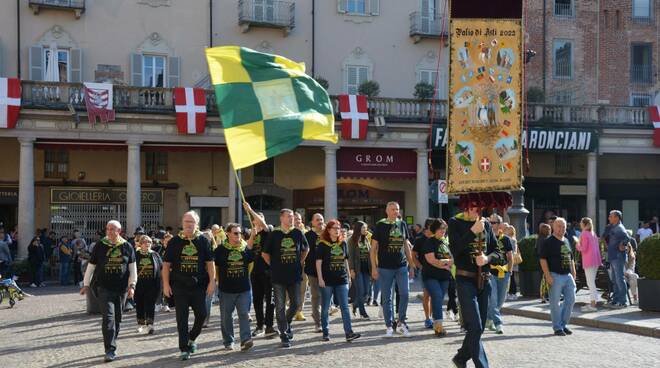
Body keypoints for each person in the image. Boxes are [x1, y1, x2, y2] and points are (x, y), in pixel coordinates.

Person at [448, 201, 504, 368]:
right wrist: (472, 231)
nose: (476, 210)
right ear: (465, 206)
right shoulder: (455, 222)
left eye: (479, 207)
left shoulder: (486, 224)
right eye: (473, 206)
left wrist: (487, 259)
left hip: (484, 280)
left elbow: (498, 252)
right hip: (465, 279)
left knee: (477, 328)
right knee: (476, 325)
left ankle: (460, 357)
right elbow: (456, 249)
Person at [80, 220, 137, 363]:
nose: (109, 231)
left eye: (113, 229)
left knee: (118, 318)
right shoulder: (100, 245)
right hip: (103, 287)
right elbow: (91, 266)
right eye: (108, 229)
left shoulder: (127, 246)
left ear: (119, 231)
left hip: (121, 289)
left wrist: (132, 286)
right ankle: (110, 349)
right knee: (108, 318)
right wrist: (86, 284)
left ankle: (112, 341)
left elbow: (132, 269)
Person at [162, 211, 215, 361]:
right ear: (182, 223)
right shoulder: (174, 242)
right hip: (179, 286)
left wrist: (212, 282)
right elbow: (166, 265)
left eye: (192, 222)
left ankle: (192, 338)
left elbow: (210, 264)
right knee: (182, 318)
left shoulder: (203, 241)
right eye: (186, 221)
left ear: (197, 224)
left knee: (202, 315)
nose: (189, 224)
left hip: (198, 285)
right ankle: (184, 348)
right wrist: (165, 285)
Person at [262, 208, 309, 348]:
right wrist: (273, 265)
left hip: (294, 275)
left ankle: (286, 323)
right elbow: (265, 254)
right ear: (281, 218)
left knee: (295, 304)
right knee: (280, 306)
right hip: (278, 276)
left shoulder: (298, 233)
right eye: (288, 216)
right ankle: (283, 334)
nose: (291, 219)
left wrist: (300, 261)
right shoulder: (274, 234)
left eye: (292, 217)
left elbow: (306, 249)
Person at [370, 201, 415, 338]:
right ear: (387, 211)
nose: (395, 211)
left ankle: (401, 322)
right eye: (392, 209)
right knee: (387, 298)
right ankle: (389, 326)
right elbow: (373, 250)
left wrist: (411, 265)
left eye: (397, 209)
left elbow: (406, 246)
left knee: (405, 294)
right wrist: (374, 268)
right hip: (384, 267)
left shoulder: (402, 224)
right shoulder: (380, 225)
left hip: (401, 266)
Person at [315, 219, 361, 342]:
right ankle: (325, 331)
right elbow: (318, 263)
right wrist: (320, 278)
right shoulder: (322, 244)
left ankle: (348, 332)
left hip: (342, 279)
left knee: (345, 307)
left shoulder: (343, 243)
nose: (337, 230)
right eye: (334, 228)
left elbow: (345, 260)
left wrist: (348, 275)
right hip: (327, 280)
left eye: (338, 228)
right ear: (329, 230)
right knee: (325, 307)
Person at [214, 223, 255, 351]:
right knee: (226, 317)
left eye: (240, 233)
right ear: (228, 234)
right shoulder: (220, 250)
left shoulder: (245, 248)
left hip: (244, 289)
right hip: (226, 289)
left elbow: (250, 265)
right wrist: (217, 283)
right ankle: (228, 341)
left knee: (244, 314)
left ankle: (245, 340)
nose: (239, 235)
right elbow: (216, 268)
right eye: (235, 233)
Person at [243, 204, 277, 338]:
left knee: (270, 300)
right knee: (257, 300)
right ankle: (259, 325)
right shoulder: (252, 233)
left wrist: (250, 210)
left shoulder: (268, 231)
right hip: (255, 271)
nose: (257, 220)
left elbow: (263, 224)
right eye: (255, 219)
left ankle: (269, 326)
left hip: (268, 271)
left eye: (260, 218)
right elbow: (249, 247)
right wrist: (252, 233)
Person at [539, 217, 576, 336]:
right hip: (555, 275)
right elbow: (542, 259)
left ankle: (563, 324)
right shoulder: (548, 241)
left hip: (567, 275)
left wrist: (573, 272)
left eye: (564, 227)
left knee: (571, 300)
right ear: (554, 227)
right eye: (559, 226)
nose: (561, 229)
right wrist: (547, 275)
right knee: (555, 303)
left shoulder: (567, 240)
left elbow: (571, 258)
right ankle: (557, 327)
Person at [422, 218, 453, 337]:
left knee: (438, 299)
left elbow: (453, 260)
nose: (443, 231)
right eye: (441, 229)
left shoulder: (445, 242)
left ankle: (436, 323)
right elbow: (431, 260)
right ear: (435, 229)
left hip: (444, 277)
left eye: (445, 229)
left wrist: (443, 263)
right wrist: (445, 263)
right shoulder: (430, 242)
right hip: (430, 276)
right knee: (437, 295)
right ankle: (439, 326)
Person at [485, 215, 514, 335]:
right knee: (493, 299)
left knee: (500, 300)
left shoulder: (505, 239)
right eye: (490, 222)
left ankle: (488, 318)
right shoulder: (486, 238)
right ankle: (498, 323)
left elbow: (510, 256)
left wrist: (510, 272)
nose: (491, 224)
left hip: (504, 272)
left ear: (500, 224)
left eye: (494, 222)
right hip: (490, 273)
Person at [603, 210, 631, 308]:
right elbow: (605, 236)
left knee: (619, 279)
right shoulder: (612, 227)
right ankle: (615, 300)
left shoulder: (619, 228)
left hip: (618, 257)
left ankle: (623, 302)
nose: (609, 218)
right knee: (615, 280)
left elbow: (627, 237)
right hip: (613, 256)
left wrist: (622, 245)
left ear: (617, 218)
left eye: (611, 216)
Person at [135, 235, 162, 334]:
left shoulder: (155, 254)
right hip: (139, 283)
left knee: (150, 304)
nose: (147, 244)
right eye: (145, 242)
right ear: (140, 244)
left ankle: (150, 325)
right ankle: (141, 324)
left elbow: (161, 267)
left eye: (149, 242)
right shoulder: (136, 254)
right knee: (140, 304)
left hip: (152, 284)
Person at [302, 213, 325, 332]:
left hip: (327, 271)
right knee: (316, 296)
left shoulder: (328, 234)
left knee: (325, 297)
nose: (320, 221)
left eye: (321, 219)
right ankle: (318, 322)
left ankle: (321, 317)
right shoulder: (307, 235)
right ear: (312, 222)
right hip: (312, 271)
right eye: (317, 220)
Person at [412, 218, 435, 329]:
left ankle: (433, 317)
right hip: (425, 270)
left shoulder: (437, 238)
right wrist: (419, 266)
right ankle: (427, 318)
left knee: (434, 295)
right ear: (428, 226)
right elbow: (413, 254)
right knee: (427, 295)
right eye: (433, 225)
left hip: (437, 270)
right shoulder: (420, 239)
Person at [576, 217, 601, 312]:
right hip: (595, 260)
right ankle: (593, 303)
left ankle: (593, 305)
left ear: (584, 224)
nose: (580, 224)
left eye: (581, 223)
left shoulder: (584, 233)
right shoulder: (593, 233)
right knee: (591, 282)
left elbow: (583, 248)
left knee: (590, 283)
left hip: (589, 260)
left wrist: (577, 245)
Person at [347, 221, 371, 320]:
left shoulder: (366, 240)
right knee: (360, 291)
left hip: (366, 268)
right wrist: (351, 269)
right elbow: (350, 256)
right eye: (363, 228)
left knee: (366, 293)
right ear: (358, 229)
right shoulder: (351, 240)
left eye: (366, 228)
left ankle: (355, 304)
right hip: (357, 269)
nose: (365, 230)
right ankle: (363, 312)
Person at [293, 211, 309, 322]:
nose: (298, 221)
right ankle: (286, 309)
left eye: (299, 219)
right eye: (295, 219)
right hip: (289, 266)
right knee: (288, 290)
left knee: (302, 289)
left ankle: (299, 311)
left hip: (303, 266)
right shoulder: (287, 233)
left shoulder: (306, 233)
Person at [536, 223, 552, 303]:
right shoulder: (545, 239)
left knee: (543, 279)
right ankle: (544, 296)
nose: (550, 230)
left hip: (541, 261)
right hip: (544, 261)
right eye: (549, 229)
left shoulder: (540, 238)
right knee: (544, 279)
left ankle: (544, 296)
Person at [505, 225, 519, 301]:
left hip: (510, 261)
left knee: (511, 277)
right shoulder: (514, 239)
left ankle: (512, 292)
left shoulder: (510, 239)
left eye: (507, 229)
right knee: (512, 277)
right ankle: (512, 292)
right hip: (512, 261)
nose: (506, 230)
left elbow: (512, 251)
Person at [624, 239, 639, 304]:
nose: (626, 249)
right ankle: (635, 298)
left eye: (627, 247)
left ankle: (635, 299)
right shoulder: (618, 257)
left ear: (630, 248)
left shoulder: (632, 257)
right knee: (632, 277)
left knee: (634, 276)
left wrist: (627, 273)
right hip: (619, 276)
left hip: (628, 275)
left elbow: (631, 268)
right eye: (625, 247)